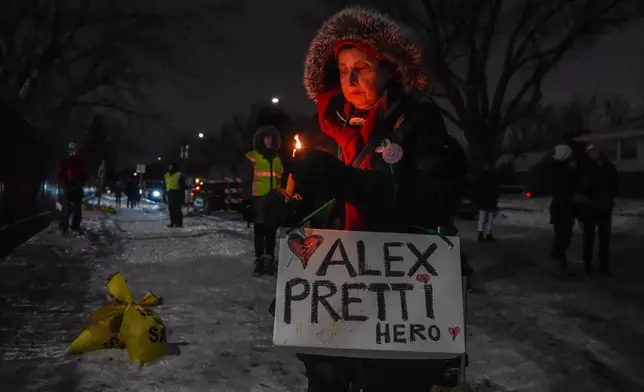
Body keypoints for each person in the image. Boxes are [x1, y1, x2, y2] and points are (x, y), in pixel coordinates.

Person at [268, 7, 469, 391]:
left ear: (391, 68)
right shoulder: (326, 131)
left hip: (394, 304)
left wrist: (343, 179)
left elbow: (432, 202)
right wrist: (286, 205)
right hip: (333, 299)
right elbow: (317, 205)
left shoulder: (419, 125)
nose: (352, 78)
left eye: (362, 66)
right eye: (343, 71)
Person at [245, 126, 283, 276]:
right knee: (260, 232)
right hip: (259, 200)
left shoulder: (278, 159)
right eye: (266, 138)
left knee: (271, 232)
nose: (268, 140)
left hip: (274, 202)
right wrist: (246, 201)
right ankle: (259, 262)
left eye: (271, 138)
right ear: (261, 140)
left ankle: (270, 260)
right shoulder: (252, 157)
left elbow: (282, 180)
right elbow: (247, 180)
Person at [575, 144, 618, 276]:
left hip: (604, 207)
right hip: (590, 207)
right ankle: (588, 264)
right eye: (590, 151)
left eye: (594, 150)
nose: (593, 153)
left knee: (604, 238)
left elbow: (615, 184)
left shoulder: (608, 167)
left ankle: (604, 266)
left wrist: (609, 198)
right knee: (589, 237)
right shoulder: (584, 168)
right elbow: (579, 188)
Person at [549, 144, 578, 277]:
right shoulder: (564, 172)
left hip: (560, 208)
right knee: (563, 237)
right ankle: (558, 265)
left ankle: (560, 263)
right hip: (563, 208)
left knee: (562, 236)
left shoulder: (556, 170)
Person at [57, 142, 87, 234]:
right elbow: (60, 174)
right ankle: (63, 226)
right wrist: (63, 184)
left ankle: (75, 226)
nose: (73, 152)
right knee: (66, 208)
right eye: (71, 150)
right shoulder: (65, 162)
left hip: (76, 187)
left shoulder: (80, 162)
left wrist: (81, 183)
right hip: (68, 187)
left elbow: (85, 175)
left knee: (77, 208)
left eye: (74, 150)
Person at [474, 165, 500, 242]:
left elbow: (476, 191)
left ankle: (480, 234)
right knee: (490, 219)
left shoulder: (480, 179)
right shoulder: (494, 178)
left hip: (482, 202)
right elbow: (496, 190)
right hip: (491, 201)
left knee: (482, 219)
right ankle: (488, 234)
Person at [164, 162, 187, 227]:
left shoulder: (179, 174)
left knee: (177, 209)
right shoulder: (166, 175)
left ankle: (179, 223)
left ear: (174, 167)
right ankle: (173, 222)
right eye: (169, 166)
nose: (170, 168)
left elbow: (182, 185)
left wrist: (182, 195)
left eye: (171, 166)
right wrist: (165, 193)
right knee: (171, 209)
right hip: (169, 193)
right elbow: (165, 184)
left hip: (177, 192)